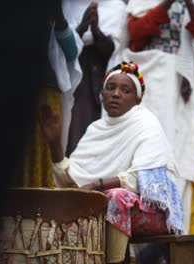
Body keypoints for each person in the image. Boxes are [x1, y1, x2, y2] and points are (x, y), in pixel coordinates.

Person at [40, 61, 185, 264]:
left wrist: (97, 186)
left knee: (115, 197)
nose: (116, 94)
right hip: (107, 206)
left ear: (138, 99)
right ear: (102, 95)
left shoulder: (146, 123)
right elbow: (71, 183)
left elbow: (143, 179)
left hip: (153, 212)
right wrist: (55, 144)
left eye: (125, 90)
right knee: (54, 198)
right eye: (111, 88)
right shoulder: (95, 130)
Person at [115, 0, 194, 245]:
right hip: (150, 91)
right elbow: (135, 34)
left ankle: (174, 241)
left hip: (182, 96)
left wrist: (189, 5)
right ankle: (139, 246)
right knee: (142, 158)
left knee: (180, 163)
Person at [18, 0, 83, 187]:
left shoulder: (57, 9)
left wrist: (58, 17)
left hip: (44, 92)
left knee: (40, 154)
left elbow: (71, 52)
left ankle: (38, 214)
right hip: (8, 92)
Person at [62, 0, 128, 156]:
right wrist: (82, 28)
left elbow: (113, 51)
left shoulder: (116, 7)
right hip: (68, 77)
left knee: (90, 144)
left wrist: (96, 31)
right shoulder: (66, 5)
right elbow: (59, 46)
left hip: (99, 82)